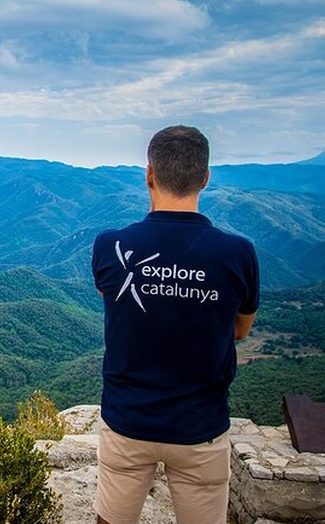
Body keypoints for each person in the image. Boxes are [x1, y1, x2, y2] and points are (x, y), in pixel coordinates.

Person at [91, 125, 260, 524]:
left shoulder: (110, 246)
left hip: (127, 421)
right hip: (200, 426)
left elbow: (119, 307)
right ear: (205, 177)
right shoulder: (238, 254)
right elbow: (240, 331)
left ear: (149, 175)